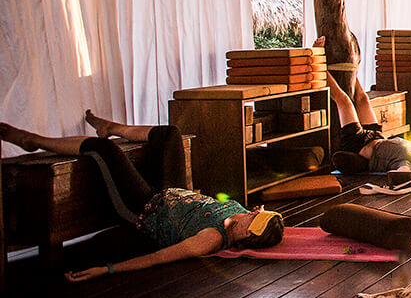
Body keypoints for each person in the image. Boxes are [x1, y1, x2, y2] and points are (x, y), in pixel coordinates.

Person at [0, 112, 284, 280]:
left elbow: (159, 257)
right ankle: (112, 128)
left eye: (255, 220)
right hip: (171, 191)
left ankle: (32, 141)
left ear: (247, 237)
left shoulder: (210, 239)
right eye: (259, 213)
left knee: (105, 150)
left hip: (145, 208)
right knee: (171, 134)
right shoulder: (240, 215)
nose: (254, 214)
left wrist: (107, 270)